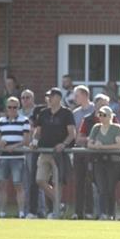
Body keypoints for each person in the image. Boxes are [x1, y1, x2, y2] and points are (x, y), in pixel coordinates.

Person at [33, 88, 76, 219]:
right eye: (48, 96)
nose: (49, 99)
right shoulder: (43, 113)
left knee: (58, 181)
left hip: (59, 154)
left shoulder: (67, 113)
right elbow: (37, 131)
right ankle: (60, 204)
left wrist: (63, 144)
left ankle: (56, 212)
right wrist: (34, 141)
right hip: (44, 151)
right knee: (40, 180)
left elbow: (72, 134)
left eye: (51, 96)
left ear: (58, 97)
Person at [87, 105, 120, 220]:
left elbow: (119, 144)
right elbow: (89, 144)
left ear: (110, 116)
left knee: (110, 187)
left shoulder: (116, 128)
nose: (101, 117)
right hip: (99, 161)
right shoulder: (96, 128)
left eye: (104, 115)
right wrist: (96, 146)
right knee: (101, 188)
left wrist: (103, 147)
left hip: (113, 162)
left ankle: (111, 213)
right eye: (100, 115)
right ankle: (103, 213)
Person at [0, 96, 31, 218]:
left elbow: (26, 140)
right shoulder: (1, 120)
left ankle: (21, 213)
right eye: (10, 107)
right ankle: (2, 212)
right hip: (3, 157)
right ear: (6, 108)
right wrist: (0, 143)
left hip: (18, 157)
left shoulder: (24, 120)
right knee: (2, 185)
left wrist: (13, 147)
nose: (12, 109)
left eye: (15, 107)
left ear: (18, 108)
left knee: (18, 185)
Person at [71, 86, 96, 220]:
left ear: (85, 95)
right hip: (79, 150)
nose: (75, 99)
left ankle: (90, 211)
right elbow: (74, 132)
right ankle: (78, 211)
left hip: (92, 151)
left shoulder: (95, 110)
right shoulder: (75, 113)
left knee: (89, 181)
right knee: (79, 181)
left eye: (77, 96)